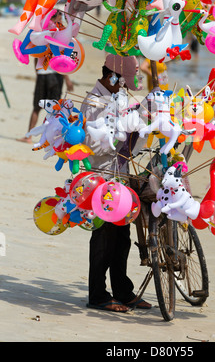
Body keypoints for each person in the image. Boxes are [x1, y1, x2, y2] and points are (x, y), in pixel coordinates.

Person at [80, 53, 152, 313]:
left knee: (122, 236)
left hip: (120, 174)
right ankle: (98, 294)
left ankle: (122, 290)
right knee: (103, 236)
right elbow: (92, 147)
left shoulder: (116, 96)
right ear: (111, 75)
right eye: (121, 81)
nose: (123, 86)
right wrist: (117, 131)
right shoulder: (92, 102)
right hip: (101, 177)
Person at [17, 10, 74, 143]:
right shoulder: (61, 35)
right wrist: (67, 79)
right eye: (59, 19)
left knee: (37, 107)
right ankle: (52, 138)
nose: (61, 22)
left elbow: (35, 55)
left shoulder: (43, 32)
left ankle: (28, 136)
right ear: (55, 19)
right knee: (54, 110)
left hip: (43, 75)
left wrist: (38, 72)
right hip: (55, 76)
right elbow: (64, 61)